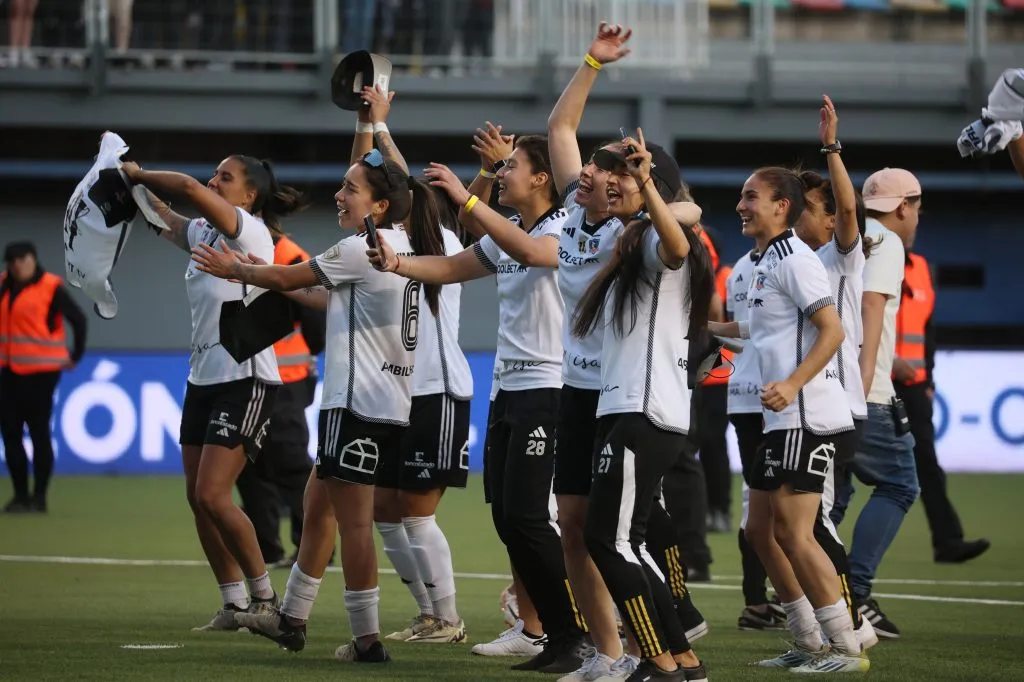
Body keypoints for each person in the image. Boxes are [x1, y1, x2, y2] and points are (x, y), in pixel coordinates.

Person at [195, 147, 447, 663]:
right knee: (317, 507)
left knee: (354, 525)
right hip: (383, 403)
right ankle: (291, 618)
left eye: (350, 188)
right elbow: (322, 295)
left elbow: (292, 278)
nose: (339, 195)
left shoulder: (363, 248)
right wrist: (260, 269)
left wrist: (237, 270)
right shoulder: (400, 248)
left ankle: (367, 642)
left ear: (378, 206)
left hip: (355, 404)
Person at [370, 135, 590, 675]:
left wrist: (470, 200)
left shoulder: (564, 230)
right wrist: (398, 264)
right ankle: (545, 634)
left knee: (530, 517)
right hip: (506, 389)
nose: (502, 172)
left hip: (548, 387)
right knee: (508, 517)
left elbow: (532, 253)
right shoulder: (507, 234)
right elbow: (450, 267)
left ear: (542, 179)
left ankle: (572, 632)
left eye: (511, 166)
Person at [122, 155, 304, 630]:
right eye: (215, 174)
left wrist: (137, 173)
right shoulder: (205, 232)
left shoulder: (250, 230)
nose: (213, 181)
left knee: (214, 494)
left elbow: (183, 185)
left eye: (226, 177)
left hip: (246, 380)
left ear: (249, 197)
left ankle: (267, 601)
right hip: (202, 378)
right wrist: (125, 184)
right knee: (197, 498)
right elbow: (163, 216)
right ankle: (234, 603)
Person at [710, 166, 868, 674]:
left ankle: (844, 647)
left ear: (783, 206)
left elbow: (833, 330)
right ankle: (807, 639)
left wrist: (794, 383)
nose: (741, 204)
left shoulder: (796, 259)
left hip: (806, 414)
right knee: (760, 531)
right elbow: (752, 329)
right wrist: (697, 327)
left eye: (751, 196)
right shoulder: (765, 261)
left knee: (797, 534)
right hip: (780, 419)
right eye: (741, 195)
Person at [569, 128, 710, 682]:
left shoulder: (656, 237)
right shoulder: (631, 235)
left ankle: (656, 661)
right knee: (630, 540)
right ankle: (684, 662)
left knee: (609, 540)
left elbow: (677, 242)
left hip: (641, 410)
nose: (612, 181)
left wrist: (647, 182)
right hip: (635, 410)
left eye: (623, 173)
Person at [791, 95, 877, 655]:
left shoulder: (839, 258)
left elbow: (849, 213)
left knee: (812, 523)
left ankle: (851, 625)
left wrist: (831, 148)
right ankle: (826, 628)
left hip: (834, 407)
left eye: (807, 204)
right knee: (792, 524)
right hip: (800, 408)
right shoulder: (787, 263)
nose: (800, 211)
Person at [829, 167, 923, 641]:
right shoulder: (887, 240)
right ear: (905, 206)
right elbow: (870, 309)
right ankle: (856, 591)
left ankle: (813, 592)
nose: (917, 216)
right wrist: (862, 391)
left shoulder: (852, 235)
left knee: (832, 499)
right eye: (917, 205)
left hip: (830, 384)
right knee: (900, 485)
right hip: (866, 393)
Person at [893, 234, 990, 564]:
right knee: (844, 470)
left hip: (914, 385)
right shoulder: (867, 263)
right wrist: (887, 361)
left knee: (928, 465)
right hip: (876, 382)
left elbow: (927, 329)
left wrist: (928, 379)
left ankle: (947, 542)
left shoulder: (920, 267)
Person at [235, 233, 324, 569]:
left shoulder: (290, 257)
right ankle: (266, 549)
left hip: (286, 379)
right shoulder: (270, 251)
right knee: (250, 466)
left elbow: (315, 323)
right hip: (251, 376)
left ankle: (310, 548)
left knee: (287, 462)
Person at [1, 241, 87, 513]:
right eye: (12, 260)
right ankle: (20, 496)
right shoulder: (3, 284)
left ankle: (38, 497)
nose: (16, 265)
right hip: (8, 370)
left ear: (33, 259)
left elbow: (78, 319)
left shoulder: (50, 287)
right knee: (10, 433)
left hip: (42, 373)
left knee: (38, 433)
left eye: (21, 259)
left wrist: (75, 356)